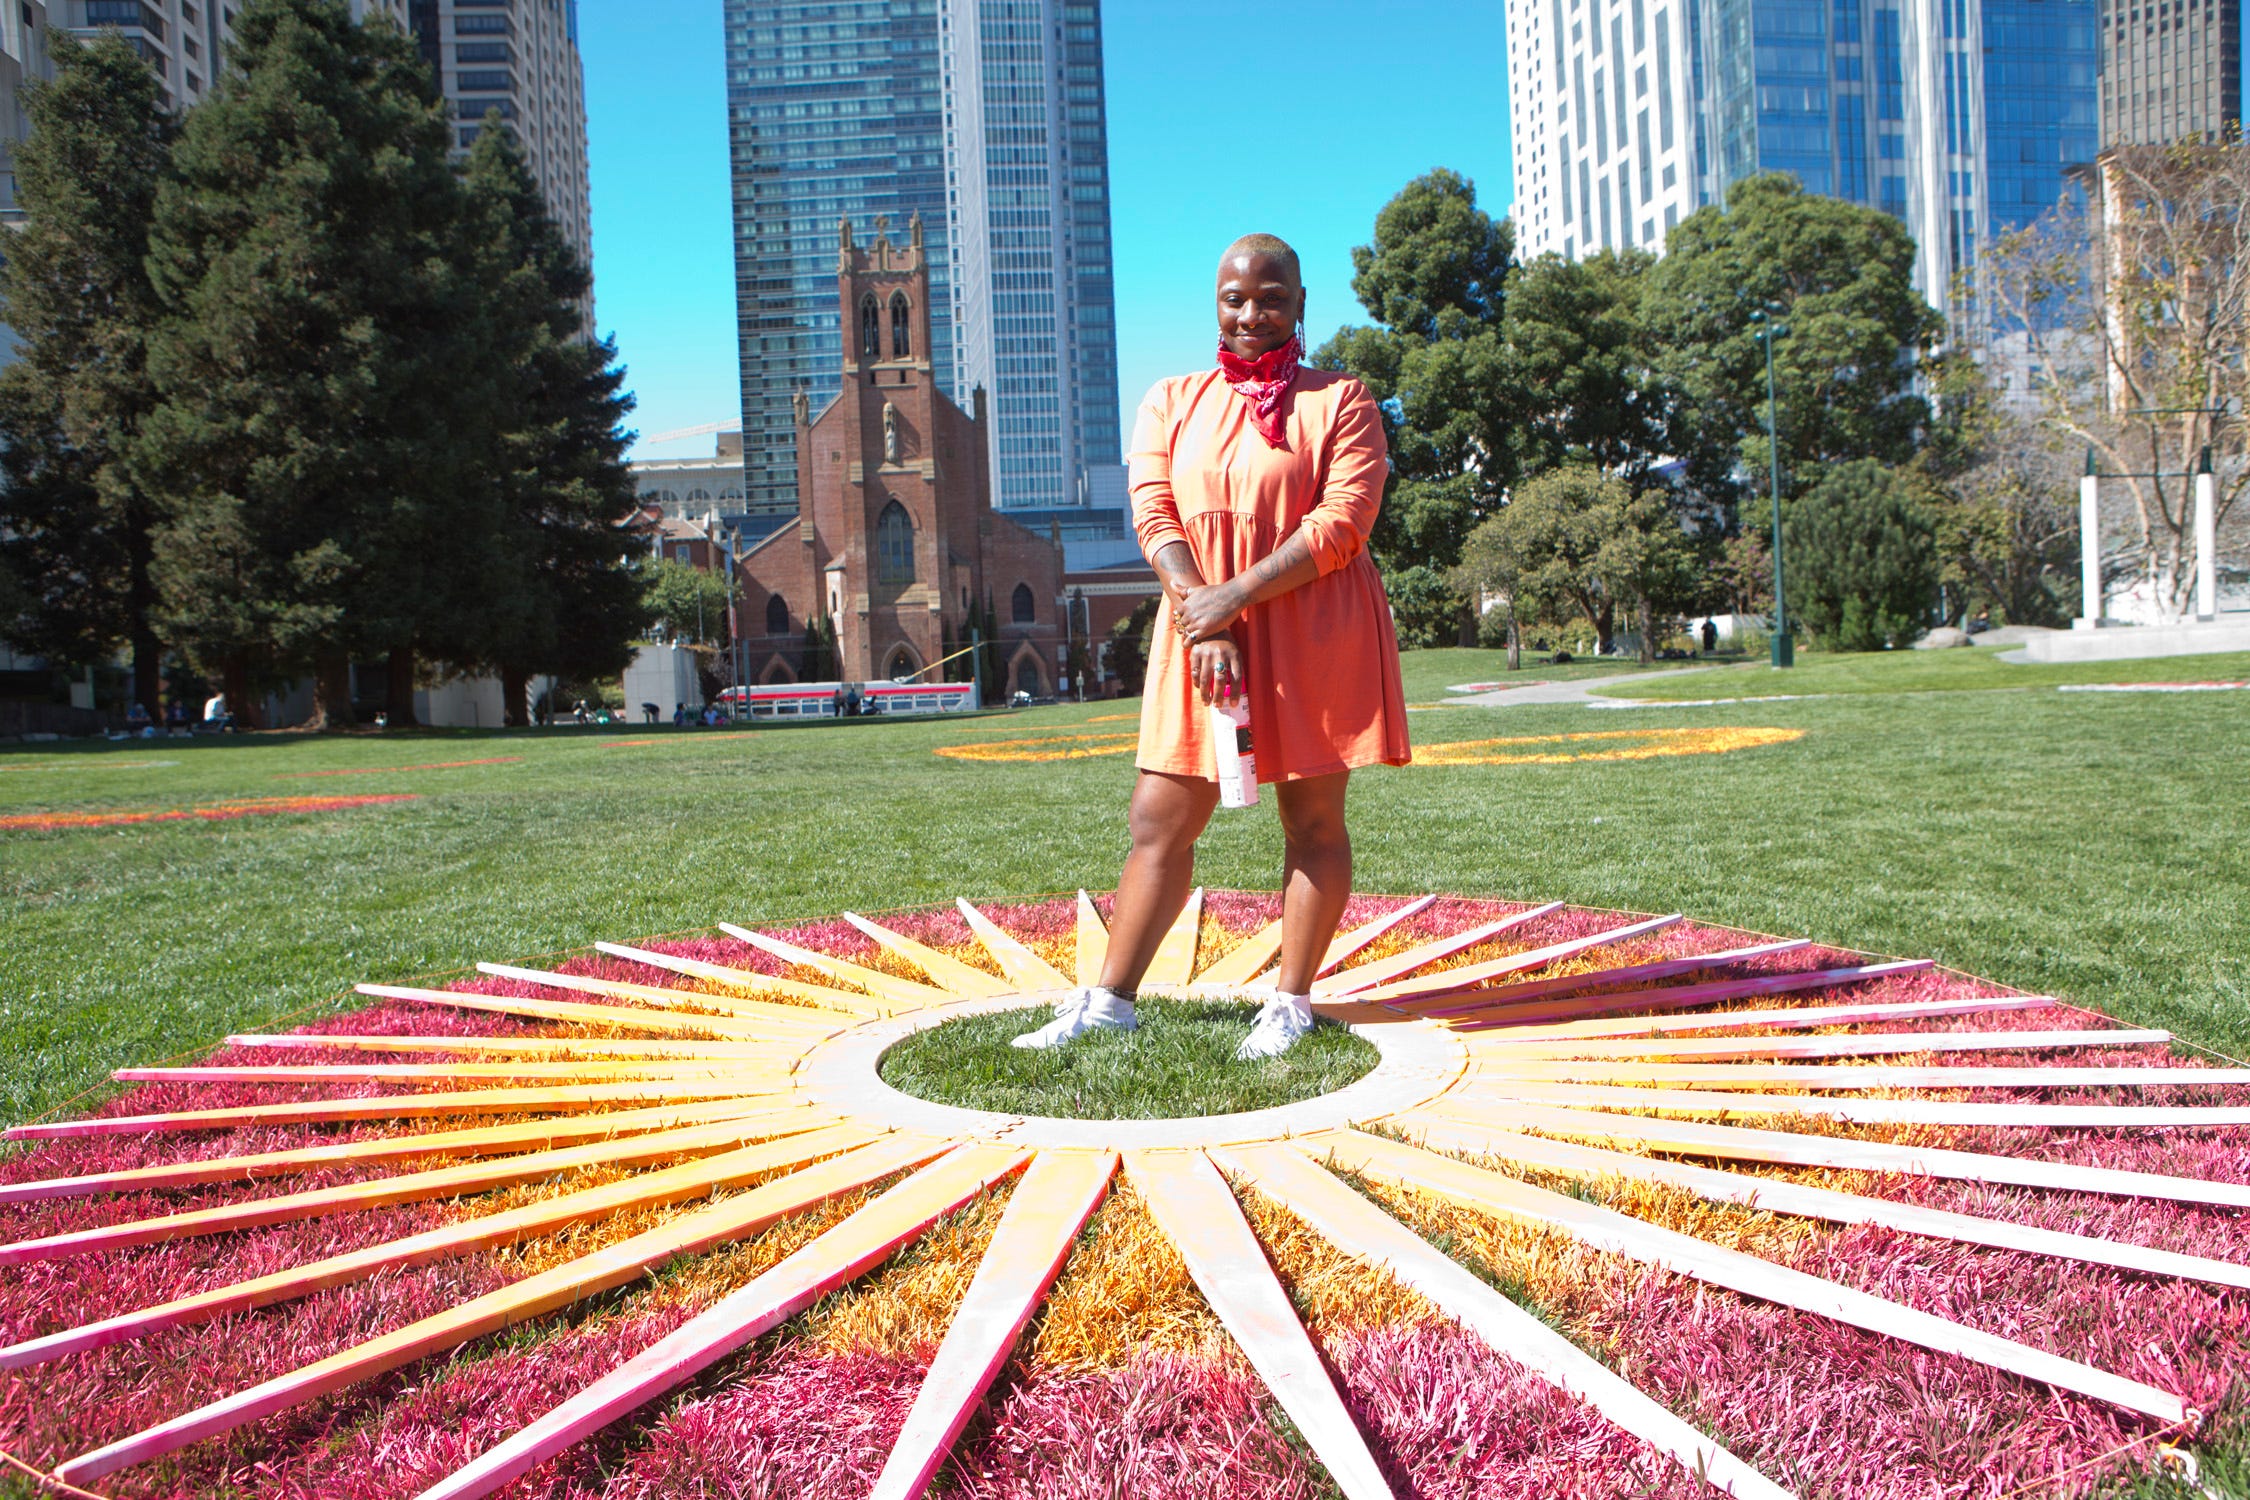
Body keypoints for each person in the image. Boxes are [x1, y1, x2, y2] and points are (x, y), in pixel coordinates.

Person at [1013, 232, 1408, 1059]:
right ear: (1216, 305)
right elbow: (1154, 511)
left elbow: (1342, 526)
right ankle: (1112, 999)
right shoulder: (1171, 398)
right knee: (1160, 817)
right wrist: (1207, 614)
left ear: (1300, 304)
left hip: (1311, 628)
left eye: (1271, 297)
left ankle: (1290, 1001)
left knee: (1311, 819)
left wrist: (1234, 597)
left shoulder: (1343, 401)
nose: (1252, 313)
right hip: (1199, 631)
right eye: (1236, 298)